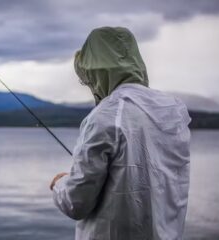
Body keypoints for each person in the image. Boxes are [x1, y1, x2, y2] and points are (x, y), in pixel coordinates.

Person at [50, 27, 191, 240]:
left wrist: (60, 184)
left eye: (88, 77)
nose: (90, 85)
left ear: (98, 71)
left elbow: (76, 203)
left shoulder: (105, 115)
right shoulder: (174, 112)